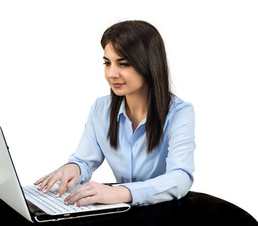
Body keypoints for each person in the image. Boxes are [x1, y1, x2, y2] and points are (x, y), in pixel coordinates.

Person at [34, 20, 195, 207]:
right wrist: (73, 168)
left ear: (149, 64)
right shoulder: (101, 108)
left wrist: (122, 192)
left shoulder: (179, 113)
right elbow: (84, 161)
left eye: (123, 64)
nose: (112, 74)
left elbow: (181, 176)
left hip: (162, 212)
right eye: (107, 63)